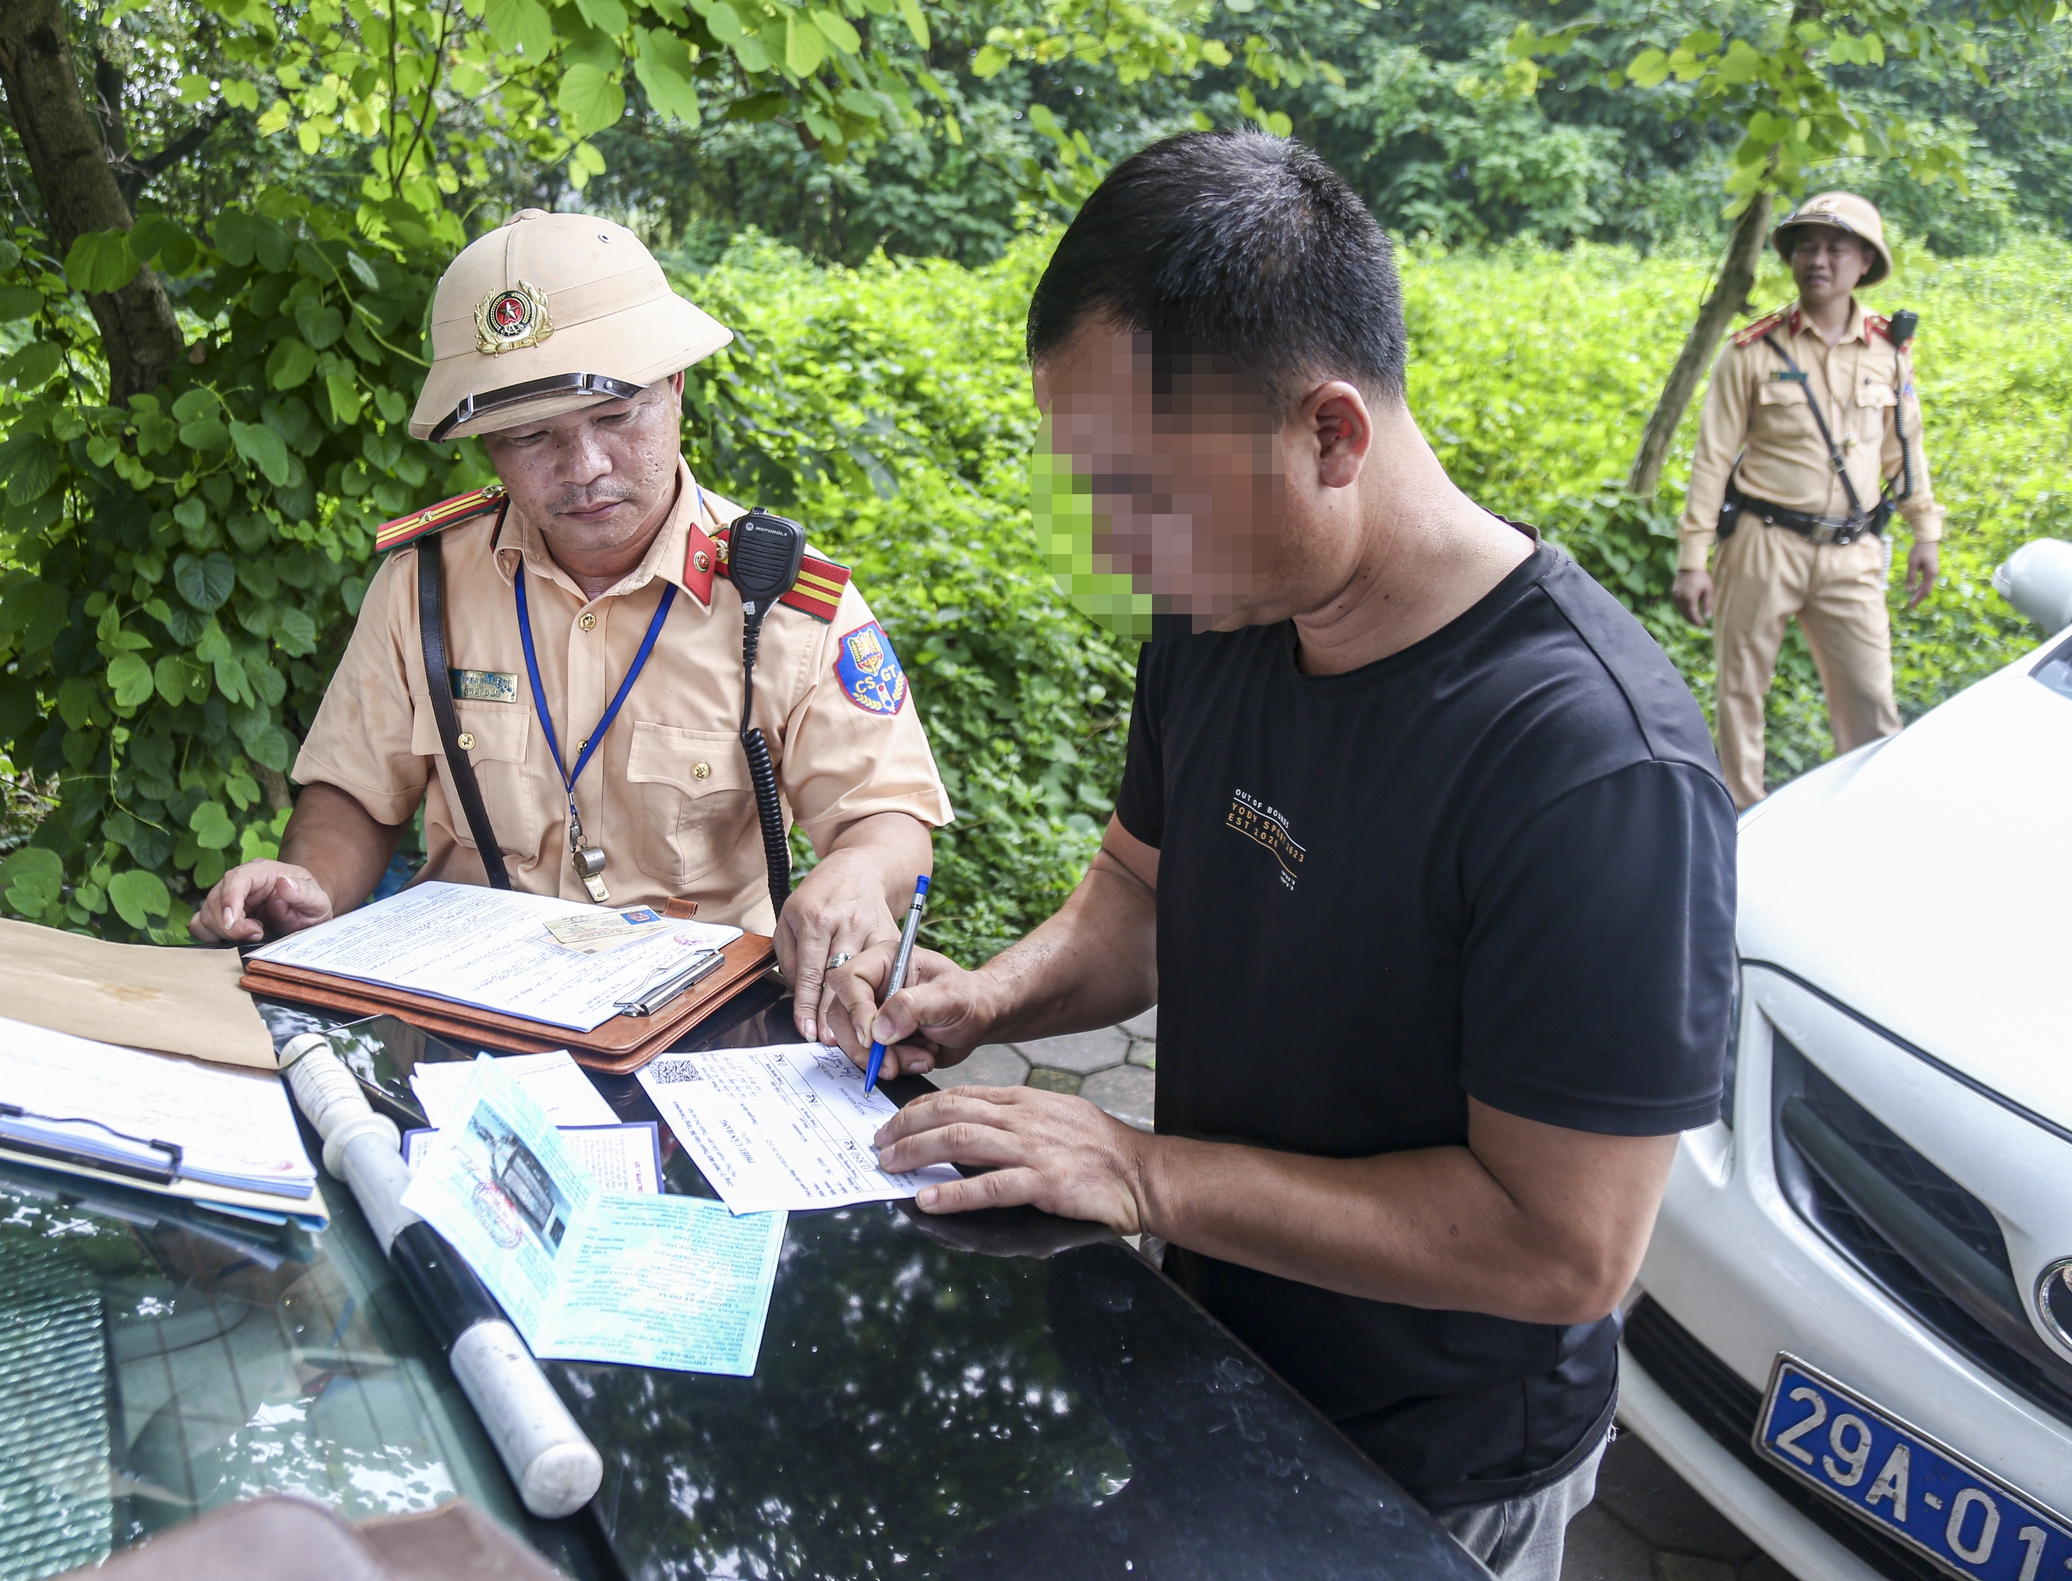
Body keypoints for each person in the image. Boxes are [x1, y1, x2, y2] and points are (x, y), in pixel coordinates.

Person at [825, 131, 1735, 1581]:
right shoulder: (1223, 611)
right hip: (1216, 1352)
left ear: (1331, 434)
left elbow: (1562, 1248)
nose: (1119, 551)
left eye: (1144, 495)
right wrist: (992, 1001)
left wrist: (1143, 1168)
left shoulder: (1591, 766)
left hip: (1432, 1460)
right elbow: (1141, 892)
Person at [192, 210, 951, 1029]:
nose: (584, 468)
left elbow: (887, 814)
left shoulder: (783, 604)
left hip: (692, 1029)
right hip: (460, 1010)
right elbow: (355, 793)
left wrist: (862, 871)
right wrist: (308, 882)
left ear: (676, 390)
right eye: (530, 435)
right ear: (485, 442)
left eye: (617, 415)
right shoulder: (427, 584)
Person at [1672, 190, 1942, 809]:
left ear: (1864, 262)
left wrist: (1923, 529)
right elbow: (1712, 458)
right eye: (1806, 247)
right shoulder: (1752, 352)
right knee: (1741, 694)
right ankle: (1741, 817)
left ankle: (1865, 818)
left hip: (1852, 550)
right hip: (1764, 544)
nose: (1818, 259)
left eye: (1835, 247)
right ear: (1791, 259)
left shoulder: (1889, 352)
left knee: (1871, 702)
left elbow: (1904, 449)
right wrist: (1693, 559)